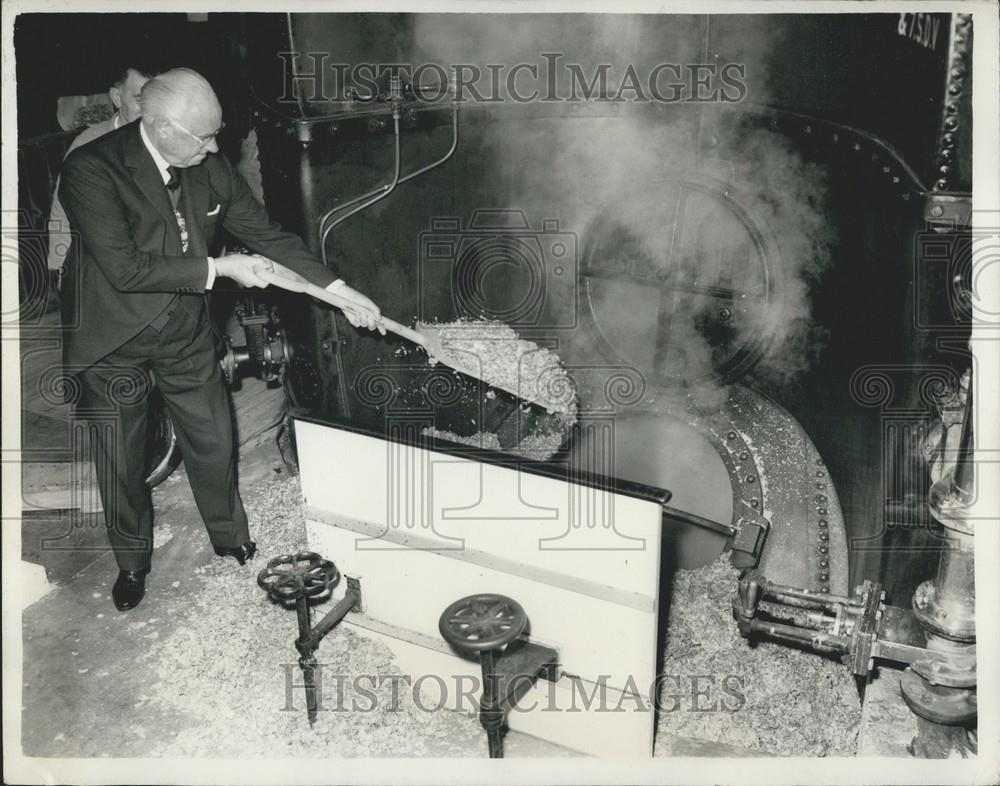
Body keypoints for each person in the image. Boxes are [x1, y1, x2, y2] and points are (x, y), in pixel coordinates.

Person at [59, 67, 383, 612]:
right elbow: (125, 269)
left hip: (184, 329)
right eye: (203, 137)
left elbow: (266, 233)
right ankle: (132, 564)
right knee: (121, 458)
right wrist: (222, 268)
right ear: (159, 125)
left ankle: (231, 538)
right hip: (114, 335)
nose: (214, 149)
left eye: (217, 134)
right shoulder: (91, 168)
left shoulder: (207, 164)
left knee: (213, 440)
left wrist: (338, 290)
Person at [48, 66, 153, 277]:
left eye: (157, 98)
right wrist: (60, 267)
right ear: (117, 97)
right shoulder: (88, 145)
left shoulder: (170, 139)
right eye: (140, 99)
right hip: (104, 265)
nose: (151, 110)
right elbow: (62, 210)